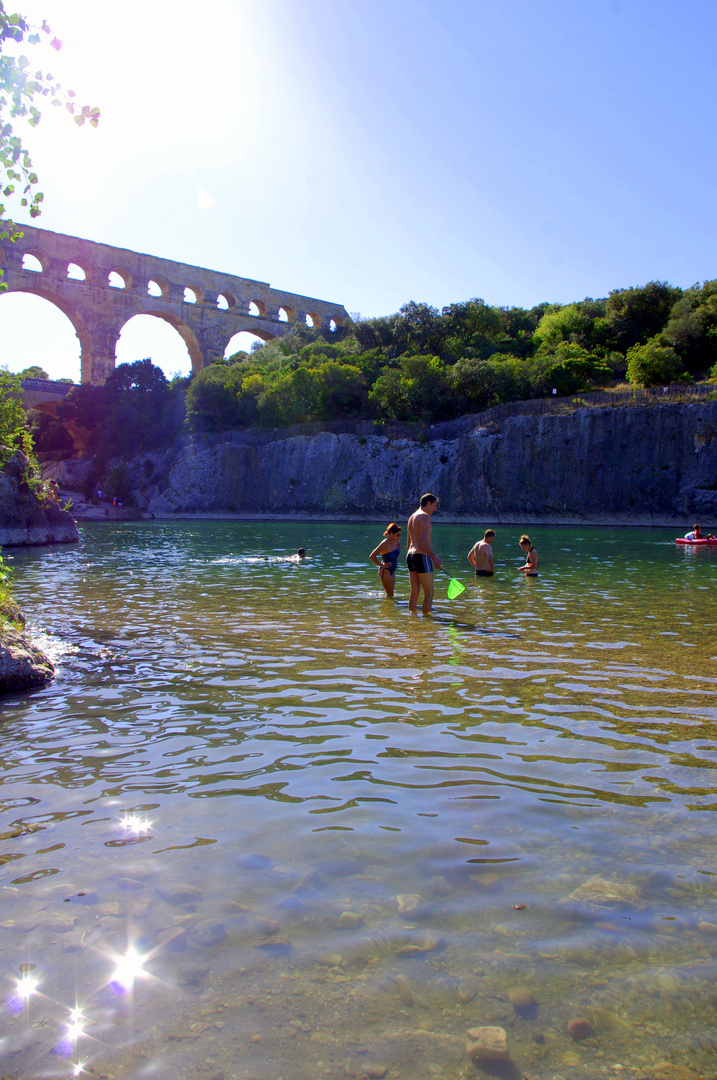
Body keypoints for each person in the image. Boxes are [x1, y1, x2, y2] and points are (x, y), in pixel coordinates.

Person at [406, 493, 442, 614]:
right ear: (428, 503)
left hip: (410, 556)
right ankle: (427, 622)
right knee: (429, 592)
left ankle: (413, 618)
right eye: (434, 505)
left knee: (415, 591)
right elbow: (423, 541)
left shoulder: (412, 517)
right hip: (421, 556)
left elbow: (408, 544)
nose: (435, 509)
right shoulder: (425, 517)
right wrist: (434, 558)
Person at [369, 522, 401, 598]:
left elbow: (397, 549)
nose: (399, 537)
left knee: (391, 594)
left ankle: (388, 607)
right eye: (398, 535)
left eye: (400, 535)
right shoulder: (384, 544)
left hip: (392, 570)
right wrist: (382, 565)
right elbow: (372, 556)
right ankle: (386, 608)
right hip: (385, 571)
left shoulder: (396, 542)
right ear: (392, 534)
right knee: (390, 594)